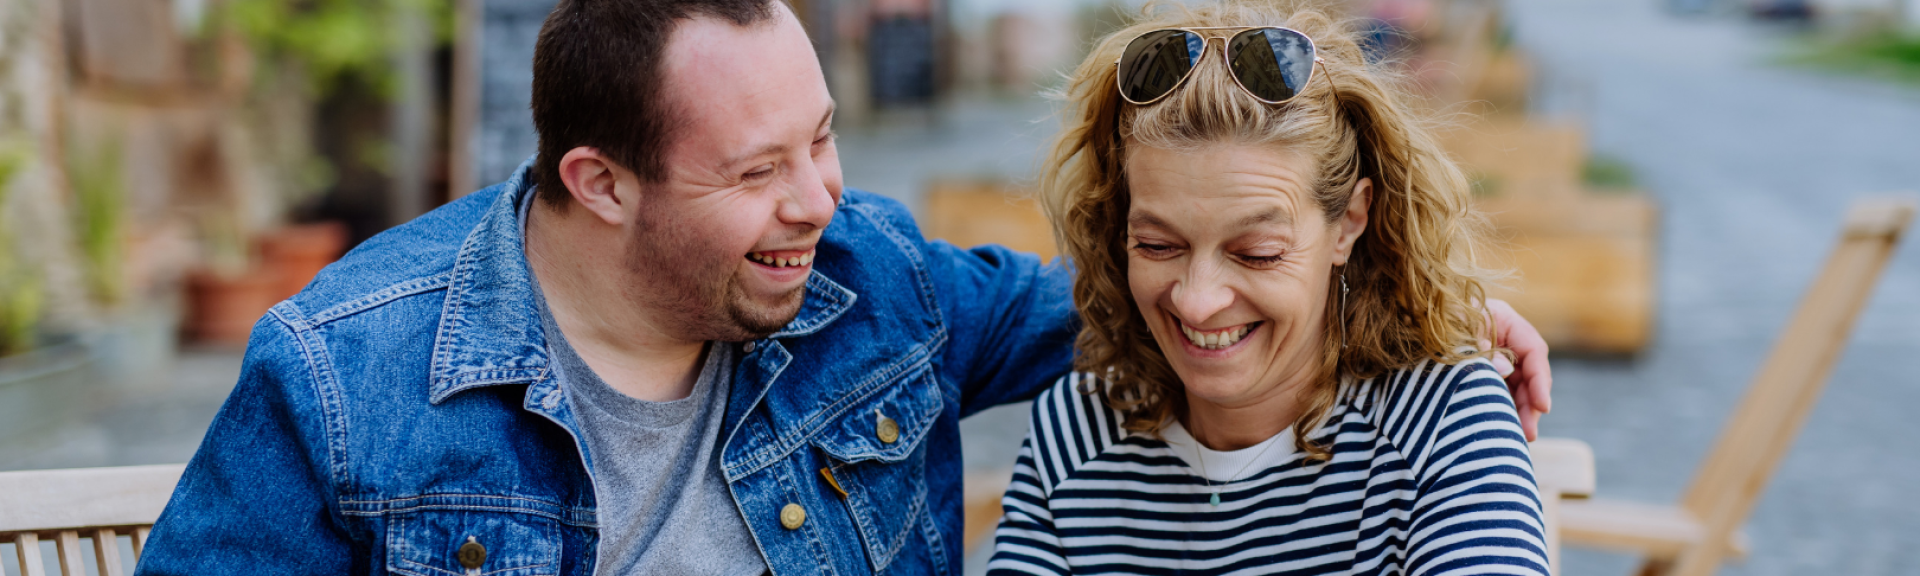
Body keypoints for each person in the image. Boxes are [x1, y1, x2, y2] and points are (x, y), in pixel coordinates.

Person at [134, 0, 1553, 573]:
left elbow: (1168, 299)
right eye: (760, 171)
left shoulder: (872, 283)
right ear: (600, 182)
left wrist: (1418, 310)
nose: (822, 199)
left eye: (824, 138)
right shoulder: (347, 376)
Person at [989, 1, 1548, 574]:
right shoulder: (1073, 430)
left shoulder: (1440, 419)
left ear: (1349, 224)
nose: (1198, 300)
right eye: (1158, 246)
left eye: (1257, 254)